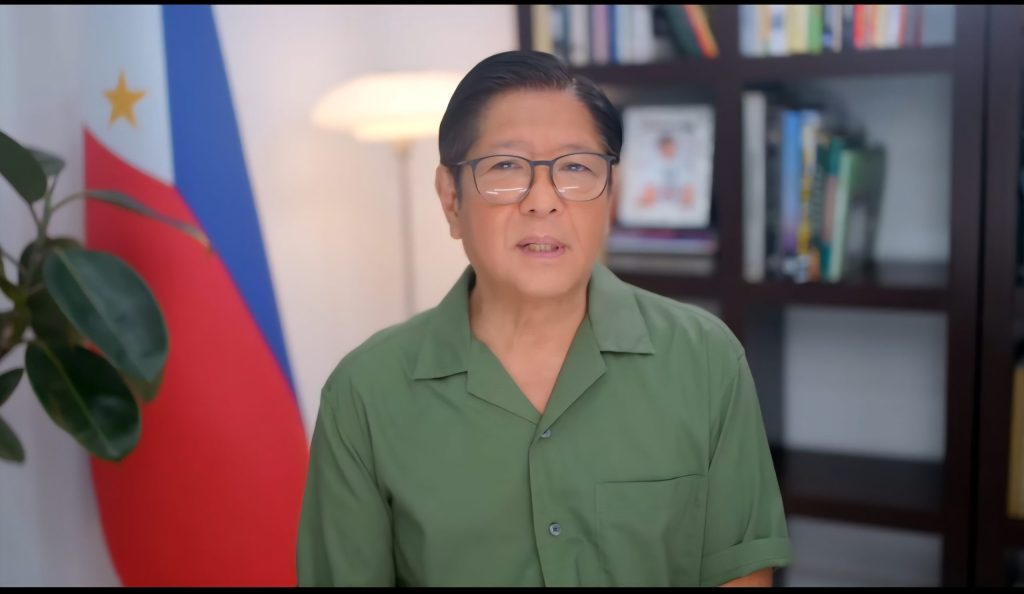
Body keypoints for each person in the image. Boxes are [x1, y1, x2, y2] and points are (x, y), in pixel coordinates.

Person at [296, 50, 792, 587]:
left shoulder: (705, 360)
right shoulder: (364, 394)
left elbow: (741, 575)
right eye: (506, 167)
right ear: (451, 200)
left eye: (575, 168)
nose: (542, 201)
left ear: (611, 195)